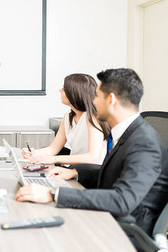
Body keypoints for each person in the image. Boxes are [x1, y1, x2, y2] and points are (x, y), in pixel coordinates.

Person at [15, 68, 168, 239]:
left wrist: (52, 194)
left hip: (125, 232)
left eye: (96, 96)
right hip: (110, 218)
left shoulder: (144, 143)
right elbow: (115, 173)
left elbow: (122, 201)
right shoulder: (129, 133)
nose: (92, 101)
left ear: (111, 100)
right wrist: (75, 172)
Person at [23, 73, 110, 165]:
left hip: (92, 172)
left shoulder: (92, 117)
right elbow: (53, 149)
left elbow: (93, 157)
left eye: (64, 89)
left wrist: (54, 159)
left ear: (74, 93)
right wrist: (33, 153)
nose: (60, 90)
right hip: (76, 169)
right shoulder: (68, 116)